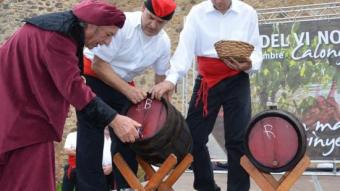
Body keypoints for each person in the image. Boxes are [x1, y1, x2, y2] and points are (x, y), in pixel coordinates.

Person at [0, 1, 141, 190]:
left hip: (15, 119)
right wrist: (115, 120)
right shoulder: (58, 38)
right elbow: (74, 89)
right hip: (24, 124)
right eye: (108, 35)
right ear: (91, 25)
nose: (108, 42)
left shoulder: (53, 30)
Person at [151, 0, 263, 190]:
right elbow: (184, 51)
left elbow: (256, 51)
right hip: (207, 81)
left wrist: (250, 64)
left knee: (237, 141)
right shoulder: (197, 12)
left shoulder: (248, 12)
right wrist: (171, 80)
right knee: (192, 137)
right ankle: (207, 186)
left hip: (237, 79)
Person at [77, 0, 176, 189]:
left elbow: (161, 77)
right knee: (92, 135)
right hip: (94, 76)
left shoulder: (163, 42)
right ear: (142, 9)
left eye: (160, 22)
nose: (153, 25)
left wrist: (164, 110)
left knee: (130, 135)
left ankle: (126, 186)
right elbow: (99, 65)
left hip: (122, 84)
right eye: (151, 17)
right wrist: (129, 90)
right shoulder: (123, 25)